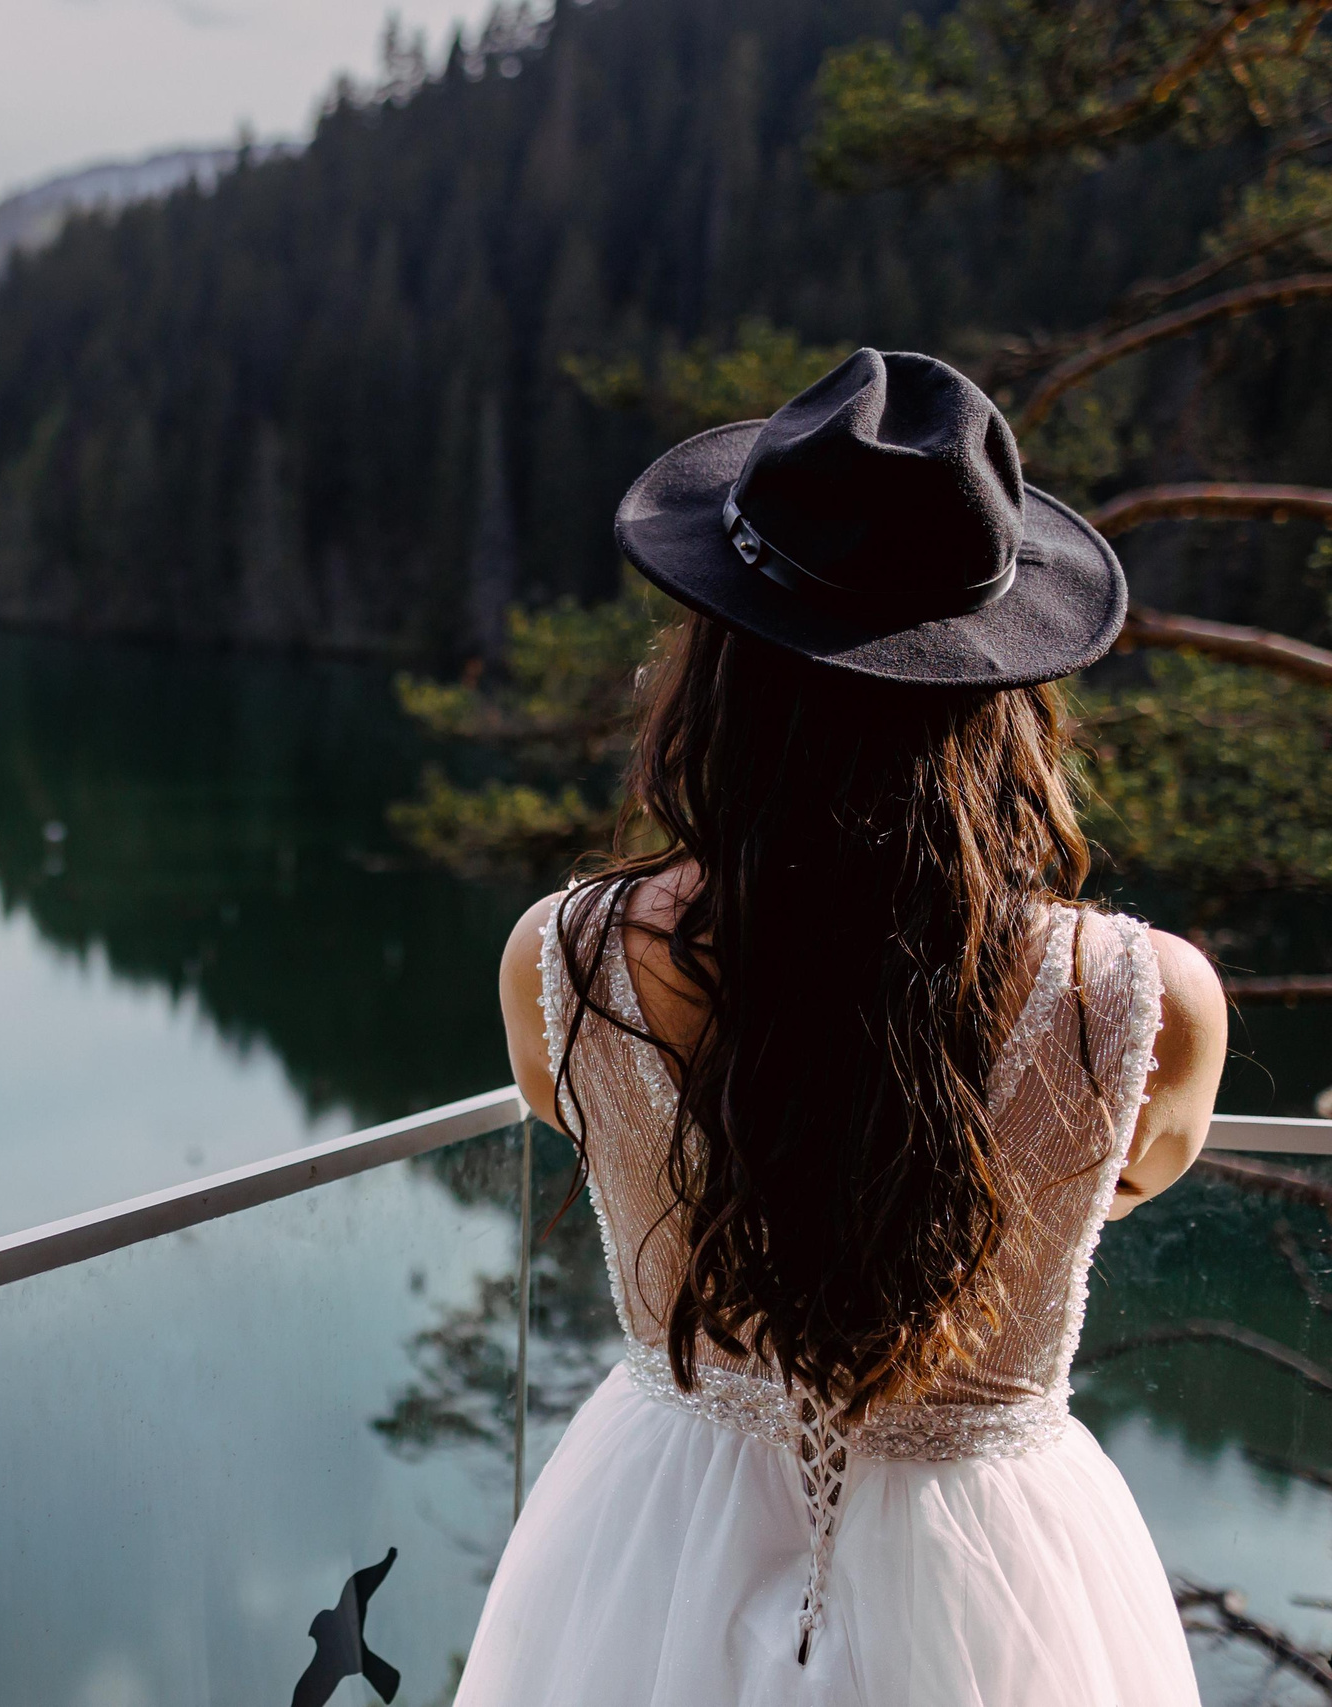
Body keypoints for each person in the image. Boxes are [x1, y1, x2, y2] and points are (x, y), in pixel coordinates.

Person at [453, 349, 1226, 1705]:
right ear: (1006, 688)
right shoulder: (1143, 1005)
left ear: (718, 673)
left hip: (653, 1548)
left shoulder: (567, 963)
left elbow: (570, 1111)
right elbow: (1124, 1176)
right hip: (1003, 1586)